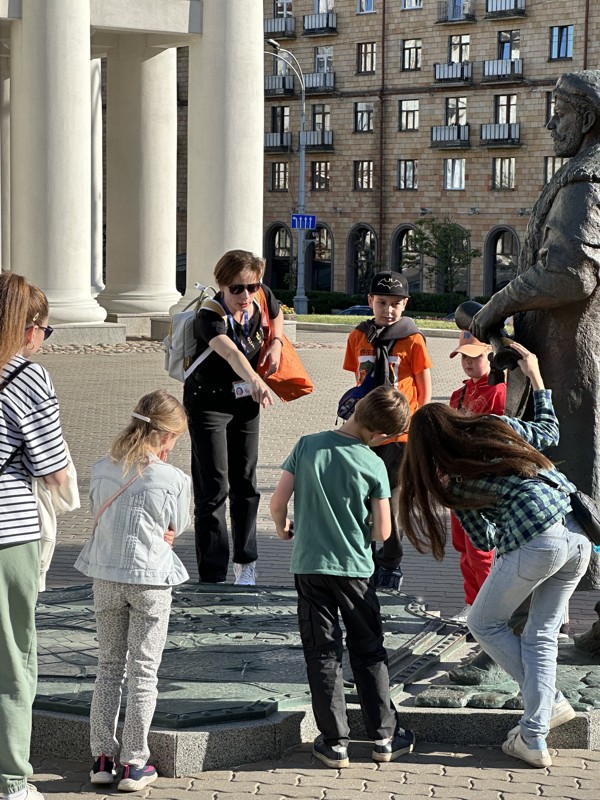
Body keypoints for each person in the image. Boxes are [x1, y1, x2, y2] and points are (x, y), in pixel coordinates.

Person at [398, 343, 591, 768]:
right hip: (578, 538)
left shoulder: (453, 480)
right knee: (541, 636)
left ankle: (547, 707)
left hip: (538, 543)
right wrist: (535, 375)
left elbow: (483, 540)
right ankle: (535, 732)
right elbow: (549, 432)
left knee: (485, 622)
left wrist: (487, 508)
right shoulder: (493, 425)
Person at [469, 71, 600, 555]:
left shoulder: (586, 181)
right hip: (573, 360)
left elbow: (569, 275)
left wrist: (498, 304)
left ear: (586, 118)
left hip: (572, 368)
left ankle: (528, 613)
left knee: (570, 488)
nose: (549, 123)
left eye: (560, 112)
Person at [270, 386, 416, 769]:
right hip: (354, 571)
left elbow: (277, 501)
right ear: (383, 436)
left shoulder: (307, 445)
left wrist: (285, 528)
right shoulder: (373, 464)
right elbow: (383, 531)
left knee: (322, 652)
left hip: (309, 566)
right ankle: (385, 736)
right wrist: (363, 533)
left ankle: (335, 742)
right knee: (368, 650)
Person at [74, 390, 190, 792]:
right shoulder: (174, 479)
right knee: (144, 673)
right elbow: (179, 525)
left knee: (108, 668)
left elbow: (95, 513)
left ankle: (102, 759)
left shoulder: (102, 467)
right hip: (151, 579)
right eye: (176, 439)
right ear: (166, 436)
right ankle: (134, 764)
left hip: (105, 575)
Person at [0, 274, 69, 800]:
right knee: (14, 656)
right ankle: (11, 778)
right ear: (27, 330)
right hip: (8, 530)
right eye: (44, 328)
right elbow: (53, 467)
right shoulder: (27, 377)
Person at [184, 249, 284, 586]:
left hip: (245, 403)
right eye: (236, 289)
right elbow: (228, 350)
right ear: (222, 285)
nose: (245, 295)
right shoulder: (209, 315)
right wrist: (255, 379)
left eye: (251, 287)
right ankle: (212, 574)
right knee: (213, 487)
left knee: (245, 482)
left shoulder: (262, 295)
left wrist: (277, 344)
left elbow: (277, 312)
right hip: (208, 403)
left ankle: (246, 562)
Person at [343, 270, 432, 585]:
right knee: (361, 498)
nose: (388, 309)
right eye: (382, 302)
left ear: (405, 304)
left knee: (391, 500)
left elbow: (424, 389)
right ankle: (363, 557)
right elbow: (357, 380)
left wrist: (417, 427)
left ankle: (391, 561)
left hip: (399, 436)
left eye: (395, 303)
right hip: (364, 433)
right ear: (370, 301)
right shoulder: (358, 336)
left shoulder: (412, 338)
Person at [448, 330, 506, 621]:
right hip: (459, 480)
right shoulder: (459, 395)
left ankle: (486, 611)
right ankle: (473, 604)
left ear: (489, 356)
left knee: (480, 550)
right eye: (463, 357)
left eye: (475, 357)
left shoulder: (499, 391)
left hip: (482, 482)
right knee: (463, 548)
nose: (468, 363)